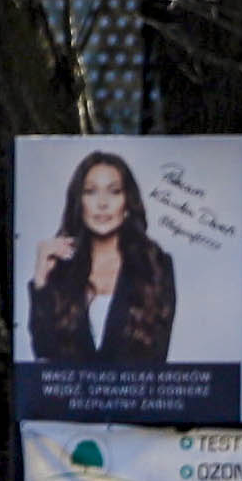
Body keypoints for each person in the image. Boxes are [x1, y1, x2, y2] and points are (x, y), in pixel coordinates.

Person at [28, 150, 177, 364]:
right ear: (79, 203)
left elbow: (156, 356)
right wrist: (41, 281)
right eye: (91, 192)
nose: (102, 203)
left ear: (127, 202)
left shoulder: (155, 266)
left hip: (133, 395)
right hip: (73, 396)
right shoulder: (62, 268)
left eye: (114, 191)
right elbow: (44, 351)